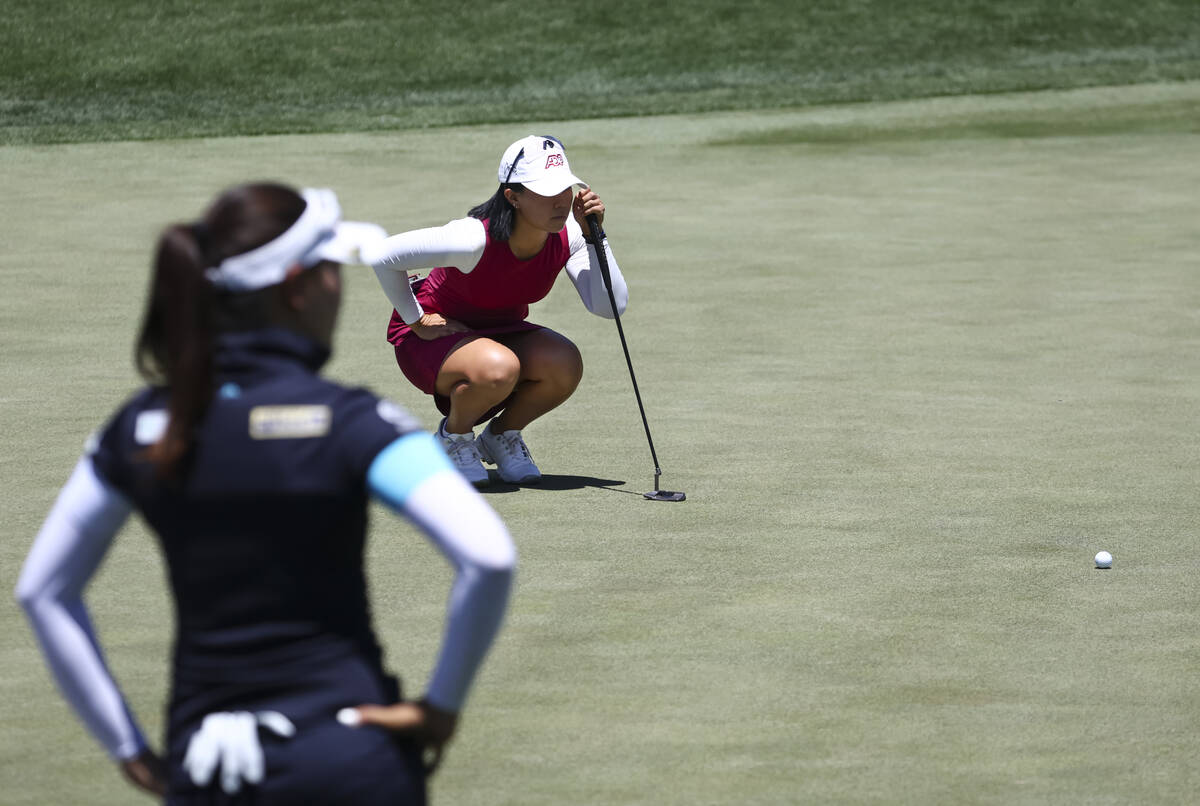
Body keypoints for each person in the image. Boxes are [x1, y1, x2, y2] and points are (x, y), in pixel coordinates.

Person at [15, 183, 516, 805]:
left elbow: (43, 592)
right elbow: (489, 557)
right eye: (332, 269)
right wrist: (441, 707)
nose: (340, 286)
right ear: (300, 287)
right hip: (354, 763)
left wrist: (129, 749)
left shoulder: (143, 427)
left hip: (211, 766)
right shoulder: (356, 422)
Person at [366, 135, 629, 486]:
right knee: (499, 367)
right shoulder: (472, 238)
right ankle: (454, 439)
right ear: (513, 197)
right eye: (546, 192)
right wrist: (417, 320)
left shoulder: (571, 234)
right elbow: (385, 256)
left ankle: (501, 436)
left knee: (564, 363)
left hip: (499, 334)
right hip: (435, 339)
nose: (560, 202)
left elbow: (610, 306)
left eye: (565, 189)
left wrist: (597, 236)